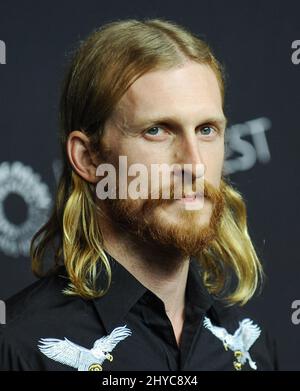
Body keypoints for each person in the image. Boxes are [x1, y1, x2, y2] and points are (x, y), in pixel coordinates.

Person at [0, 18, 278, 371]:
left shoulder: (250, 347)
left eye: (207, 129)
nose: (194, 164)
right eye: (157, 130)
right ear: (88, 158)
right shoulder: (19, 349)